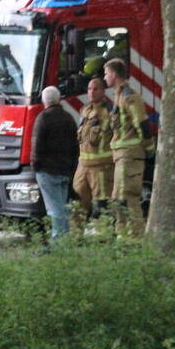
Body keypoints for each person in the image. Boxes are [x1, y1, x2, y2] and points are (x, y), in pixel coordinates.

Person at [104, 58, 155, 238]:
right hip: (122, 156)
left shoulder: (129, 96)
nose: (105, 78)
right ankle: (122, 238)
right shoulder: (119, 95)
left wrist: (149, 150)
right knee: (118, 200)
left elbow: (142, 124)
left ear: (114, 74)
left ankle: (135, 240)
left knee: (129, 199)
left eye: (106, 73)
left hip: (130, 156)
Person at [31, 85, 79, 242]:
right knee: (62, 206)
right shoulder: (69, 117)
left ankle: (58, 240)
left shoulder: (43, 118)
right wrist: (72, 167)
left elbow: (37, 146)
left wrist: (35, 166)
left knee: (54, 209)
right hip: (65, 170)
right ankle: (65, 240)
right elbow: (75, 145)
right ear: (59, 99)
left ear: (44, 101)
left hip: (47, 170)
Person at [72, 77, 114, 233]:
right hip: (83, 166)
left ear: (103, 91)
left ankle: (104, 240)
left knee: (102, 205)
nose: (91, 92)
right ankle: (75, 239)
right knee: (77, 203)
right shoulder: (85, 110)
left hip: (102, 168)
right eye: (89, 89)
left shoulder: (110, 111)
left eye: (95, 89)